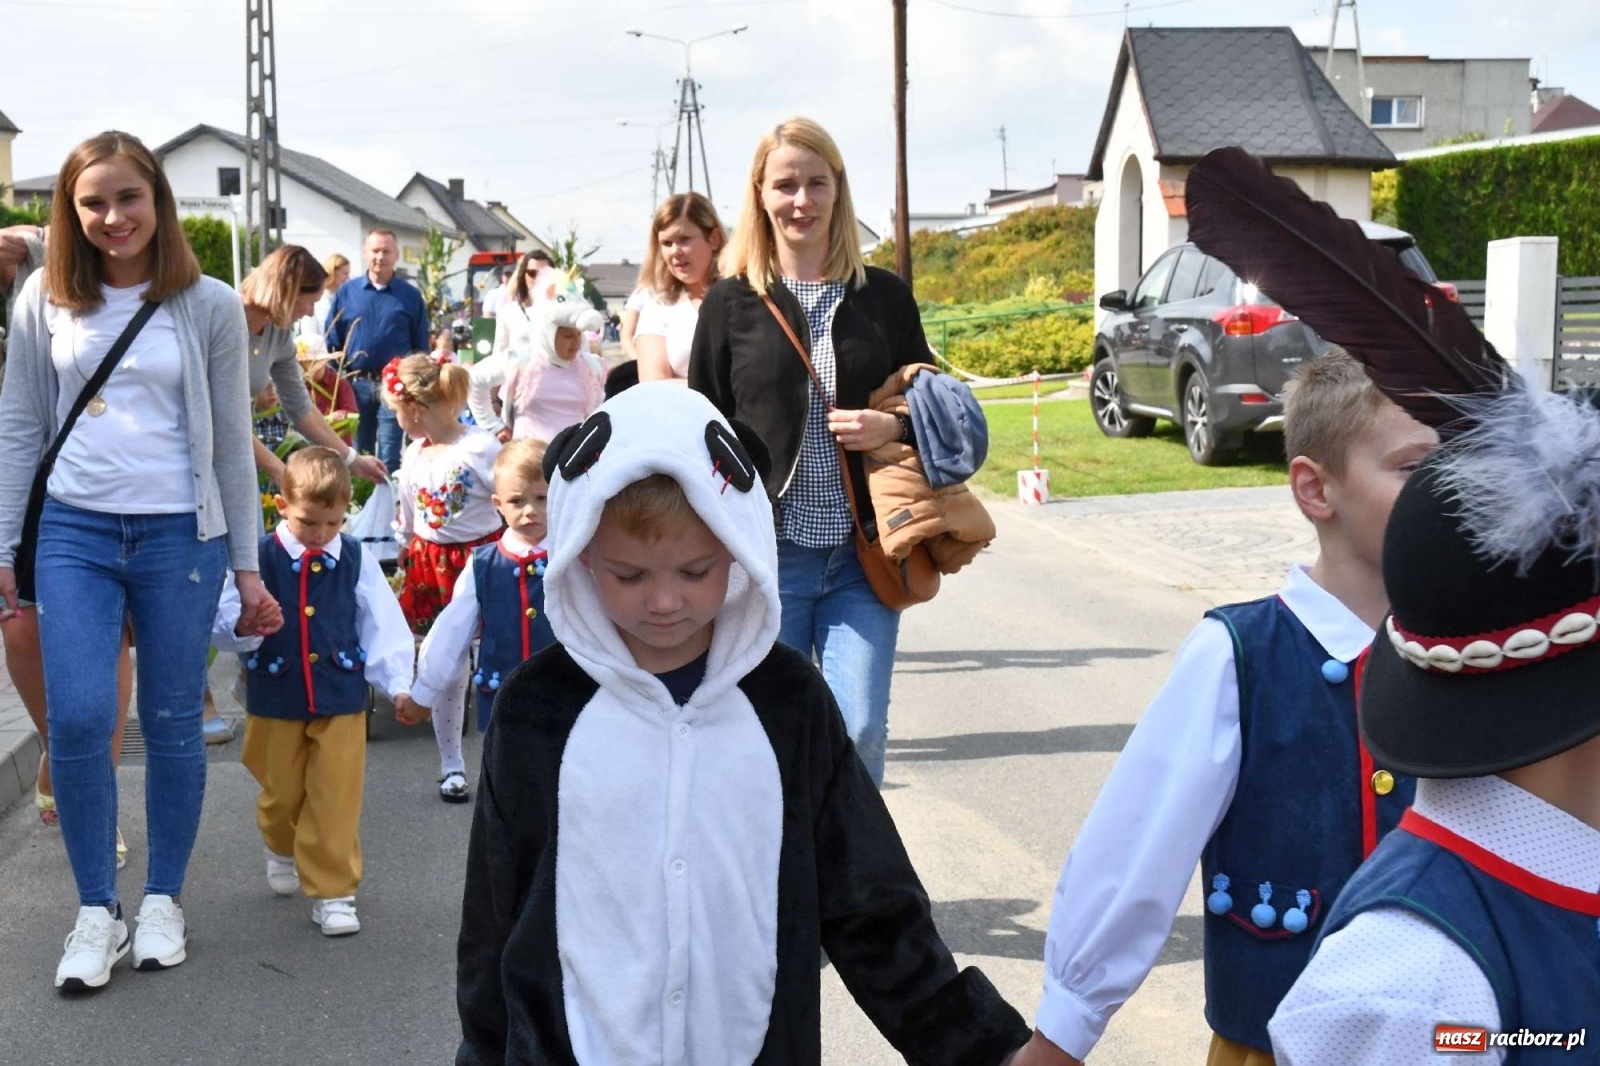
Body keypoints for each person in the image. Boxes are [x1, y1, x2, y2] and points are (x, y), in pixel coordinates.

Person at [453, 382, 1029, 1064]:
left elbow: (872, 903)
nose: (664, 602)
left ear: (738, 545)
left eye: (696, 570)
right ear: (578, 555)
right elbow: (494, 917)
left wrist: (980, 1048)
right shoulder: (537, 710)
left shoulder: (789, 705)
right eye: (628, 576)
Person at [1008, 352, 1436, 1066]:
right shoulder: (1238, 658)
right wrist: (1061, 1037)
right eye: (1414, 469)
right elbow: (1137, 850)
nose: (1445, 493)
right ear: (1315, 490)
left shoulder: (1480, 657)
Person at [0, 130, 278, 991]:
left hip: (179, 538)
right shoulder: (43, 297)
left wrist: (248, 563)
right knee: (80, 720)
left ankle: (161, 897)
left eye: (128, 198)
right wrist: (7, 543)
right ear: (69, 213)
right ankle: (97, 910)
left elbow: (234, 443)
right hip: (75, 534)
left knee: (169, 723)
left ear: (157, 201)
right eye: (93, 203)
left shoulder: (210, 304)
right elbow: (18, 424)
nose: (112, 217)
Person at [688, 117, 929, 789]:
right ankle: (782, 886)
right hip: (769, 560)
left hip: (864, 558)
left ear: (838, 191)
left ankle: (855, 890)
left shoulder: (883, 296)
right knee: (767, 741)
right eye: (786, 184)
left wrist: (894, 431)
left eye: (816, 183)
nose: (802, 201)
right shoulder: (731, 304)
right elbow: (702, 431)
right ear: (761, 195)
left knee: (860, 732)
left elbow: (931, 405)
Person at [212, 447, 413, 938]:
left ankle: (334, 890)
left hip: (341, 697)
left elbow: (382, 623)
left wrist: (399, 685)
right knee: (280, 794)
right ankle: (281, 844)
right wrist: (248, 625)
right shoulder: (254, 559)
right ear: (281, 506)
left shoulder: (355, 558)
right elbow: (220, 624)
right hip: (275, 698)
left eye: (333, 522)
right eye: (308, 522)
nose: (322, 534)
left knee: (335, 796)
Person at [386, 352, 503, 801]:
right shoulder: (416, 452)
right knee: (446, 663)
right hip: (430, 566)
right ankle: (451, 764)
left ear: (413, 408)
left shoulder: (478, 448)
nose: (397, 421)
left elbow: (508, 496)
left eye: (397, 412)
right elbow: (410, 507)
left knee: (492, 661)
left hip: (478, 563)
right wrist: (403, 543)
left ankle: (500, 757)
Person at [402, 438, 551, 735]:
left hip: (567, 695)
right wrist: (424, 692)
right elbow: (453, 628)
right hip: (503, 699)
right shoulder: (484, 563)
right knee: (507, 776)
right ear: (498, 504)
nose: (530, 510)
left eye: (541, 498)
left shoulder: (576, 556)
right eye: (517, 501)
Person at [241, 246, 388, 493]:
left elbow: (300, 406)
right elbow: (224, 417)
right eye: (310, 302)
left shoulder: (278, 334)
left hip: (242, 461)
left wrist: (351, 459)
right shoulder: (228, 320)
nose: (310, 312)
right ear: (288, 291)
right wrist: (277, 468)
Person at [324, 230, 429, 472]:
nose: (380, 256)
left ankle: (389, 507)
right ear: (365, 253)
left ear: (396, 255)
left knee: (391, 455)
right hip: (355, 385)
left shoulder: (410, 297)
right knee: (358, 454)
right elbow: (332, 340)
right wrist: (336, 384)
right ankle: (363, 505)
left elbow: (420, 347)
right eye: (375, 250)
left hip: (394, 386)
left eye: (386, 251)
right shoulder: (347, 292)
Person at [498, 267, 605, 444]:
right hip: (530, 462)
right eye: (568, 336)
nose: (576, 343)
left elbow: (598, 411)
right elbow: (475, 381)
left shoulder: (591, 368)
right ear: (548, 332)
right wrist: (495, 426)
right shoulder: (521, 362)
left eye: (579, 334)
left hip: (570, 462)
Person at [635, 192, 724, 382]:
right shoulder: (658, 306)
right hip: (679, 411)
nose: (675, 252)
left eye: (684, 239)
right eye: (667, 243)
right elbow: (654, 384)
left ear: (714, 238)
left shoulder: (743, 295)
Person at [467, 248, 554, 441]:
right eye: (532, 273)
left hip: (554, 395)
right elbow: (499, 352)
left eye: (545, 273)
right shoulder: (510, 311)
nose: (538, 278)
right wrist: (493, 407)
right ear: (523, 276)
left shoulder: (563, 312)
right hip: (517, 396)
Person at [295, 251, 349, 358]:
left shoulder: (345, 299)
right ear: (333, 272)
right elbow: (309, 334)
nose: (347, 278)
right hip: (318, 357)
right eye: (344, 273)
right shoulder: (315, 299)